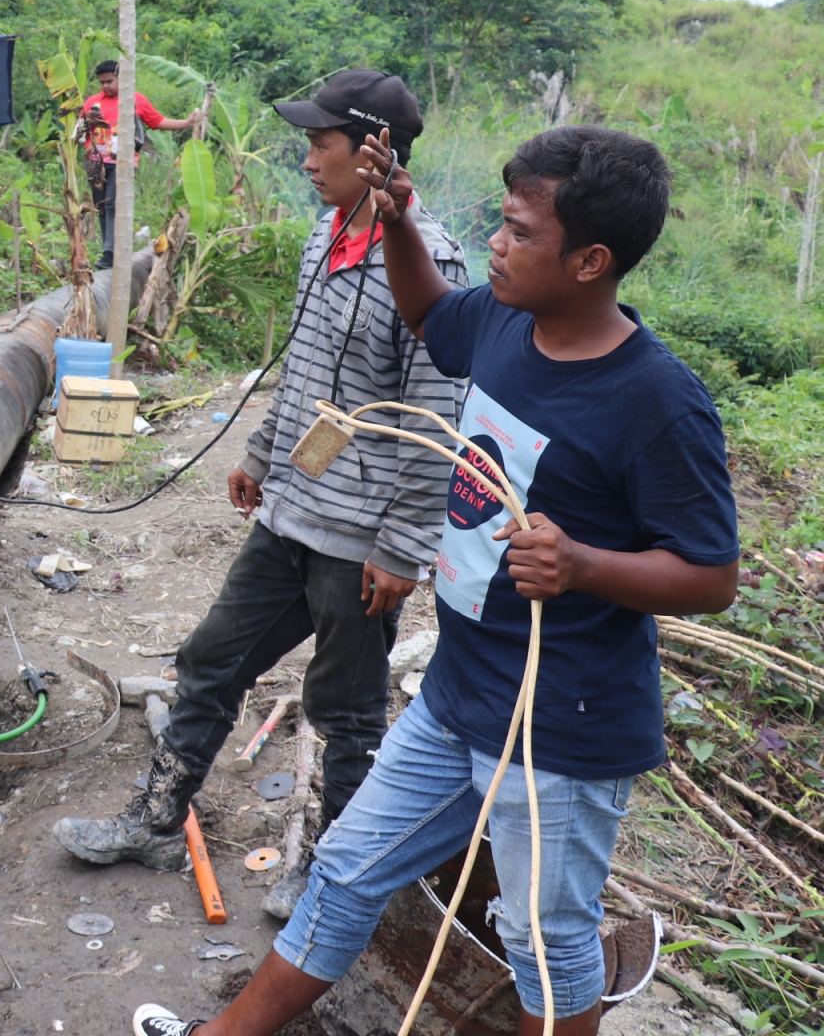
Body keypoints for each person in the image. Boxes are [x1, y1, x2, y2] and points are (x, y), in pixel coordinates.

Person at [130, 124, 739, 1036]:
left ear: (591, 260)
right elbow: (427, 314)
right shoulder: (503, 321)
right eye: (499, 221)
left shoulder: (657, 402)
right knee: (345, 867)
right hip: (458, 695)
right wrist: (397, 219)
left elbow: (711, 574)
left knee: (546, 942)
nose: (495, 243)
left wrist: (584, 565)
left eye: (520, 231)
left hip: (559, 730)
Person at [55, 71, 466, 909]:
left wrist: (403, 548)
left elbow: (435, 420)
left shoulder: (433, 263)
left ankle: (331, 874)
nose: (309, 159)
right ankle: (157, 820)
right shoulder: (324, 237)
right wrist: (261, 451)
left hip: (361, 541)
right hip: (292, 514)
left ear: (376, 154)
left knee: (346, 711)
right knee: (211, 659)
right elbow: (305, 365)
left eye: (323, 145)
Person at [79, 59, 202, 268]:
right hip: (95, 163)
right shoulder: (92, 102)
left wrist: (187, 123)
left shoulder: (135, 99)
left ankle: (111, 253)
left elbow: (158, 121)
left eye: (109, 81)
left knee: (113, 204)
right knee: (101, 207)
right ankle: (108, 248)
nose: (105, 86)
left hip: (122, 163)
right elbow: (80, 127)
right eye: (102, 83)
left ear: (121, 78)